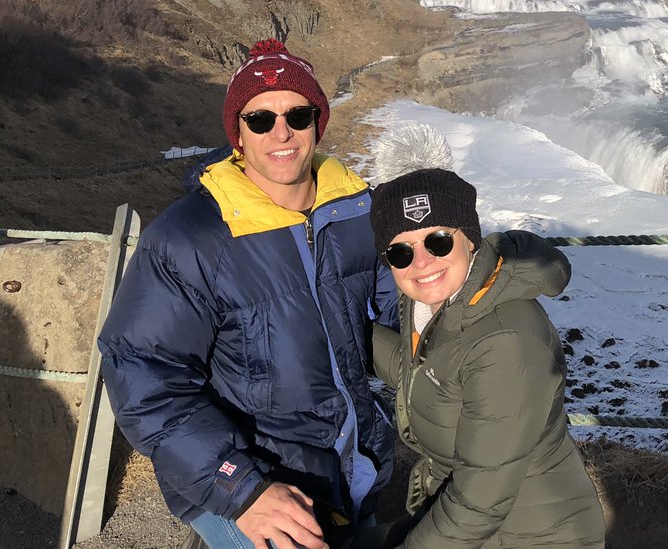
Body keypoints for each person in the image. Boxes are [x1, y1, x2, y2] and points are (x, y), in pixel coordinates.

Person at [98, 38, 398, 549]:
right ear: (237, 133)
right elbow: (141, 371)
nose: (281, 133)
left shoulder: (355, 211)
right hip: (252, 482)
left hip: (351, 469)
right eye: (260, 119)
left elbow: (399, 312)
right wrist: (241, 486)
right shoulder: (191, 237)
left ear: (317, 124)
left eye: (297, 115)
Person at [368, 133, 605, 548]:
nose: (421, 262)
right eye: (400, 253)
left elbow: (479, 502)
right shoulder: (441, 303)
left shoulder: (506, 340)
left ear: (469, 238)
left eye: (437, 241)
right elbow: (430, 372)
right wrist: (344, 336)